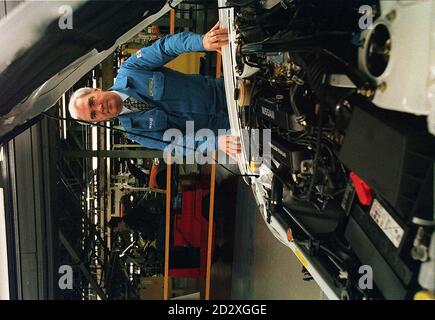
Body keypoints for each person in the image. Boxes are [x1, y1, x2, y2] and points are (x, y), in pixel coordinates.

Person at [68, 22, 241, 159]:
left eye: (92, 102)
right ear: (98, 121)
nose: (99, 108)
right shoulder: (135, 132)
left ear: (96, 90)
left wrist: (201, 42)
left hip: (225, 91)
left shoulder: (131, 69)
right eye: (93, 115)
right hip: (225, 131)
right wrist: (215, 142)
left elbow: (165, 47)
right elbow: (176, 144)